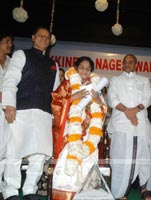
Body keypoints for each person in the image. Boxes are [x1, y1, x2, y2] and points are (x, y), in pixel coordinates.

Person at [1, 26, 60, 200]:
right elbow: (10, 80)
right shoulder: (21, 54)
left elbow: (56, 93)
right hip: (21, 110)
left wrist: (55, 116)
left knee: (40, 154)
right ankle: (11, 190)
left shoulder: (53, 65)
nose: (43, 39)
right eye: (40, 36)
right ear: (33, 38)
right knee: (14, 151)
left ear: (49, 42)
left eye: (47, 37)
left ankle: (30, 190)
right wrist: (10, 105)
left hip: (44, 113)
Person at [51, 56, 107, 200]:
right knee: (67, 166)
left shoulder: (96, 86)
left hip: (89, 135)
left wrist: (99, 102)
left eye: (88, 69)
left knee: (88, 165)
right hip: (70, 133)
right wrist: (72, 97)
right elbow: (55, 102)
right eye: (82, 67)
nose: (85, 71)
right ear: (76, 68)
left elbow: (103, 110)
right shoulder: (67, 84)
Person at [107, 54, 151, 200]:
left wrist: (135, 110)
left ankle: (145, 188)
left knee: (144, 157)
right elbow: (112, 98)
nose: (127, 64)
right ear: (122, 64)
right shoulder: (115, 80)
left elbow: (148, 98)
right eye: (125, 62)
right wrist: (127, 111)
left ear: (136, 64)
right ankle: (120, 192)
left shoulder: (144, 80)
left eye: (131, 62)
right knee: (120, 158)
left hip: (140, 124)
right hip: (121, 124)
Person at [0, 31, 14, 200]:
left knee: (5, 147)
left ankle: (2, 185)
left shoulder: (12, 62)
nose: (10, 44)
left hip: (8, 110)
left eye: (11, 41)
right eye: (7, 41)